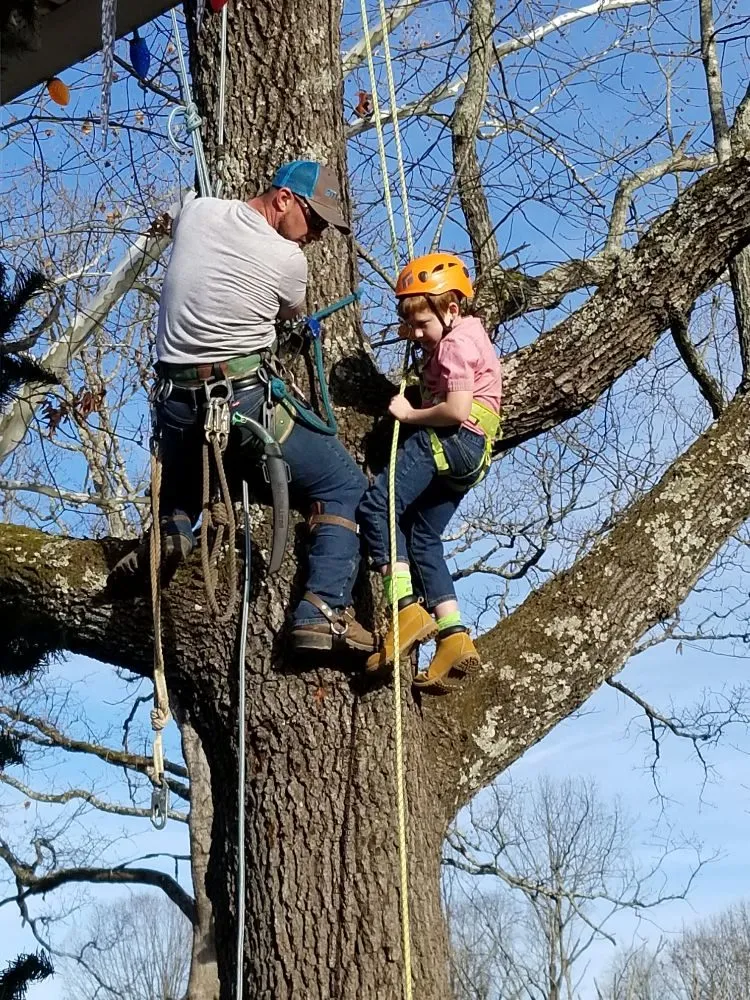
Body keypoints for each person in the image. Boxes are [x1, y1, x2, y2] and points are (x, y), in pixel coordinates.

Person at [110, 160, 374, 654]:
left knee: (192, 464)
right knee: (345, 485)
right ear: (283, 200)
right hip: (242, 403)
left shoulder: (200, 211)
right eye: (313, 221)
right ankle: (323, 610)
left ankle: (173, 526)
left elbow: (181, 220)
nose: (314, 235)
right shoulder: (289, 262)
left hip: (176, 408)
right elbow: (292, 312)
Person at [358, 252, 502, 691]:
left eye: (423, 324)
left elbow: (456, 410)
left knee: (377, 506)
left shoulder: (456, 344)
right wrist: (420, 335)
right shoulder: (467, 336)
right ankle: (454, 633)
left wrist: (409, 413)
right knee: (423, 537)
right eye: (412, 326)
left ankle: (404, 606)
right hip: (473, 455)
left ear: (452, 309)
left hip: (452, 438)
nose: (417, 334)